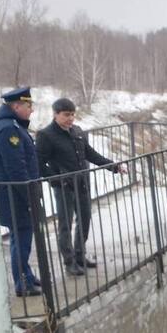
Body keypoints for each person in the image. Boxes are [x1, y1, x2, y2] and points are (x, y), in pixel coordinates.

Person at [36, 98, 127, 276]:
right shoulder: (46, 135)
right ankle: (69, 261)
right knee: (65, 224)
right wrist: (56, 179)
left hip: (82, 183)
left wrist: (113, 166)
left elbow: (91, 154)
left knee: (84, 220)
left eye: (72, 114)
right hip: (63, 187)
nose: (70, 118)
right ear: (55, 114)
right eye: (66, 115)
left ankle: (80, 255)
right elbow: (39, 163)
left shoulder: (77, 131)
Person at [0, 86, 42, 297]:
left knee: (21, 239)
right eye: (29, 106)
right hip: (17, 197)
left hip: (18, 195)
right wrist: (29, 197)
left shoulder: (12, 126)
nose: (31, 111)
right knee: (20, 240)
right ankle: (23, 283)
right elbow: (16, 169)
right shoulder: (9, 129)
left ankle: (26, 275)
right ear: (17, 106)